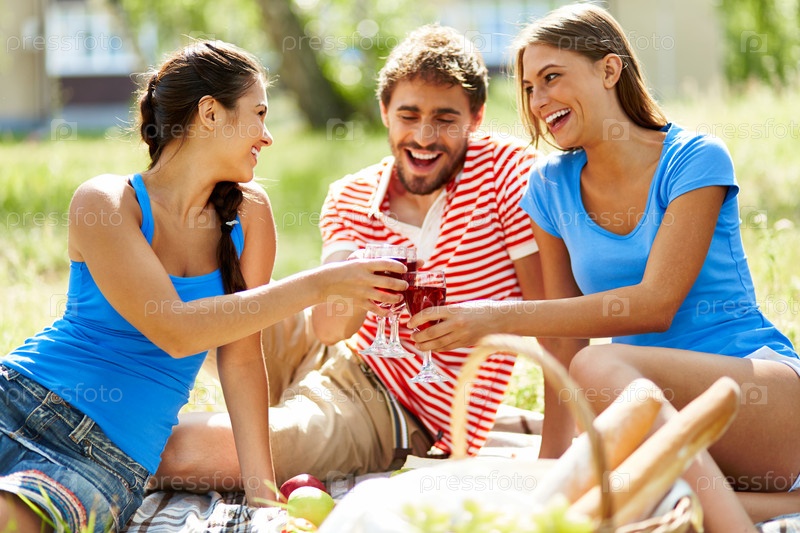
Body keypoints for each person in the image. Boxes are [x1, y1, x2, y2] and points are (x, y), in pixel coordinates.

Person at [409, 3, 800, 530]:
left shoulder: (694, 159)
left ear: (610, 70)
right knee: (583, 493)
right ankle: (773, 508)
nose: (538, 101)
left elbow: (655, 305)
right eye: (528, 88)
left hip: (760, 397)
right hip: (649, 411)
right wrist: (550, 461)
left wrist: (493, 317)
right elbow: (564, 340)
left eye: (552, 78)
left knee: (598, 368)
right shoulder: (549, 186)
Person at [0, 41, 406, 533]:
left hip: (107, 457)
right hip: (20, 396)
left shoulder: (249, 217)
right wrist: (320, 285)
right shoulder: (105, 201)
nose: (268, 136)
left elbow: (242, 359)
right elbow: (175, 330)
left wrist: (262, 499)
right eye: (259, 114)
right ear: (210, 113)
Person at [153, 23, 559, 494]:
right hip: (322, 343)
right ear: (385, 112)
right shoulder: (352, 194)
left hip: (388, 408)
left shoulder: (507, 173)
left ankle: (107, 449)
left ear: (477, 117)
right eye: (408, 115)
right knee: (177, 299)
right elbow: (330, 328)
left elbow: (552, 317)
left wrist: (553, 457)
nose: (424, 136)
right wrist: (362, 282)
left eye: (445, 119)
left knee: (181, 451)